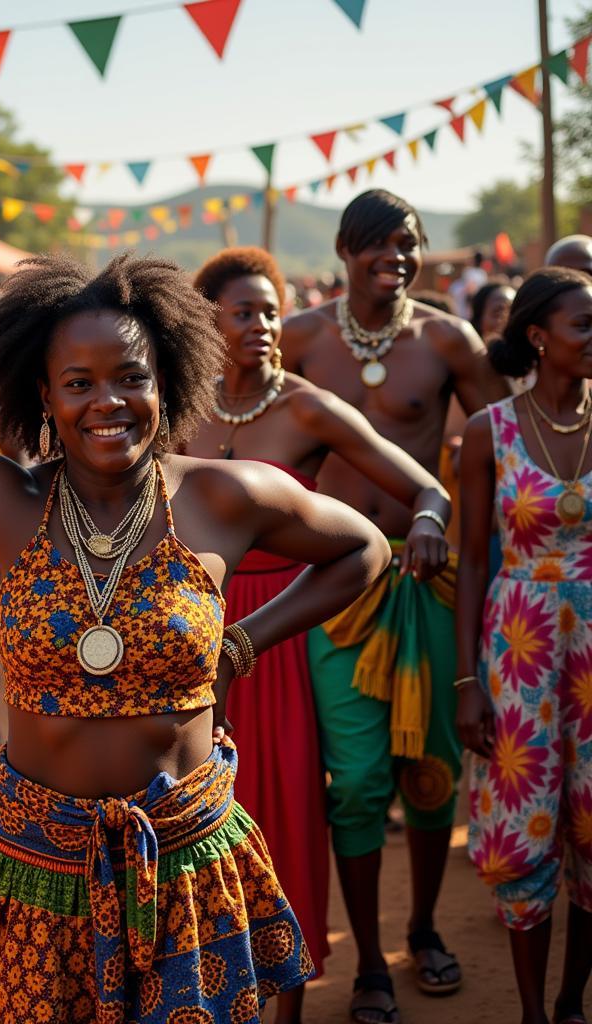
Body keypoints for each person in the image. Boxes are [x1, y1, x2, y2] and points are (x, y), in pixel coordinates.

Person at [0, 153, 392, 1022]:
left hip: (188, 862)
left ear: (167, 380)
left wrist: (245, 640)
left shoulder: (219, 496)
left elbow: (363, 549)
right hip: (34, 874)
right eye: (80, 383)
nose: (110, 402)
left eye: (132, 377)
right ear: (43, 396)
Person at [186, 246, 451, 1024]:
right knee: (198, 819)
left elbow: (422, 484)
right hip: (193, 636)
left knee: (291, 814)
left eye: (272, 310)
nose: (266, 325)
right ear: (207, 320)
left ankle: (291, 1006)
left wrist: (431, 518)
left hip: (288, 631)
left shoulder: (306, 406)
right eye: (246, 311)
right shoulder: (174, 403)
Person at [281, 188, 508, 1024]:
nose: (397, 258)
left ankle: (420, 931)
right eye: (378, 244)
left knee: (430, 775)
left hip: (429, 585)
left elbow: (504, 434)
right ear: (344, 250)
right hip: (335, 587)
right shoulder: (300, 340)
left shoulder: (448, 338)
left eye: (408, 244)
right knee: (358, 780)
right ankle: (370, 960)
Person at [456, 267, 592, 1024]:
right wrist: (465, 681)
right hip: (521, 649)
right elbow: (474, 558)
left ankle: (574, 1000)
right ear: (539, 337)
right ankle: (535, 1013)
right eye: (585, 325)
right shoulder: (489, 432)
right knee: (527, 826)